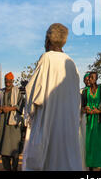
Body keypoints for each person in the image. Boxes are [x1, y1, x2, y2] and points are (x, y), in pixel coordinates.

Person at [23, 23, 82, 171]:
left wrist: (29, 113)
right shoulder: (72, 63)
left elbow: (33, 91)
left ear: (48, 39)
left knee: (45, 159)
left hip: (47, 118)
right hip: (68, 122)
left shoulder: (46, 58)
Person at [0, 72, 25, 171]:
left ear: (12, 81)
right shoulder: (0, 92)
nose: (7, 83)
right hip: (3, 124)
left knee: (14, 150)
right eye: (6, 81)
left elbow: (21, 105)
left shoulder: (18, 92)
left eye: (9, 81)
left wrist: (10, 108)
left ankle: (14, 168)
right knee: (3, 150)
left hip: (14, 125)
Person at [81, 71, 101, 170]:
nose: (90, 79)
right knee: (90, 144)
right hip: (89, 120)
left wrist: (100, 112)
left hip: (99, 120)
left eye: (92, 77)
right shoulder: (85, 91)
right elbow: (82, 107)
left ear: (96, 78)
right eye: (89, 78)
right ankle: (91, 165)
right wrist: (86, 110)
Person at [79, 72, 91, 170]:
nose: (88, 81)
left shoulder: (98, 91)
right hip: (84, 118)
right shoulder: (81, 91)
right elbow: (78, 107)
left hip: (95, 119)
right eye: (86, 79)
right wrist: (83, 110)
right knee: (84, 142)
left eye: (89, 79)